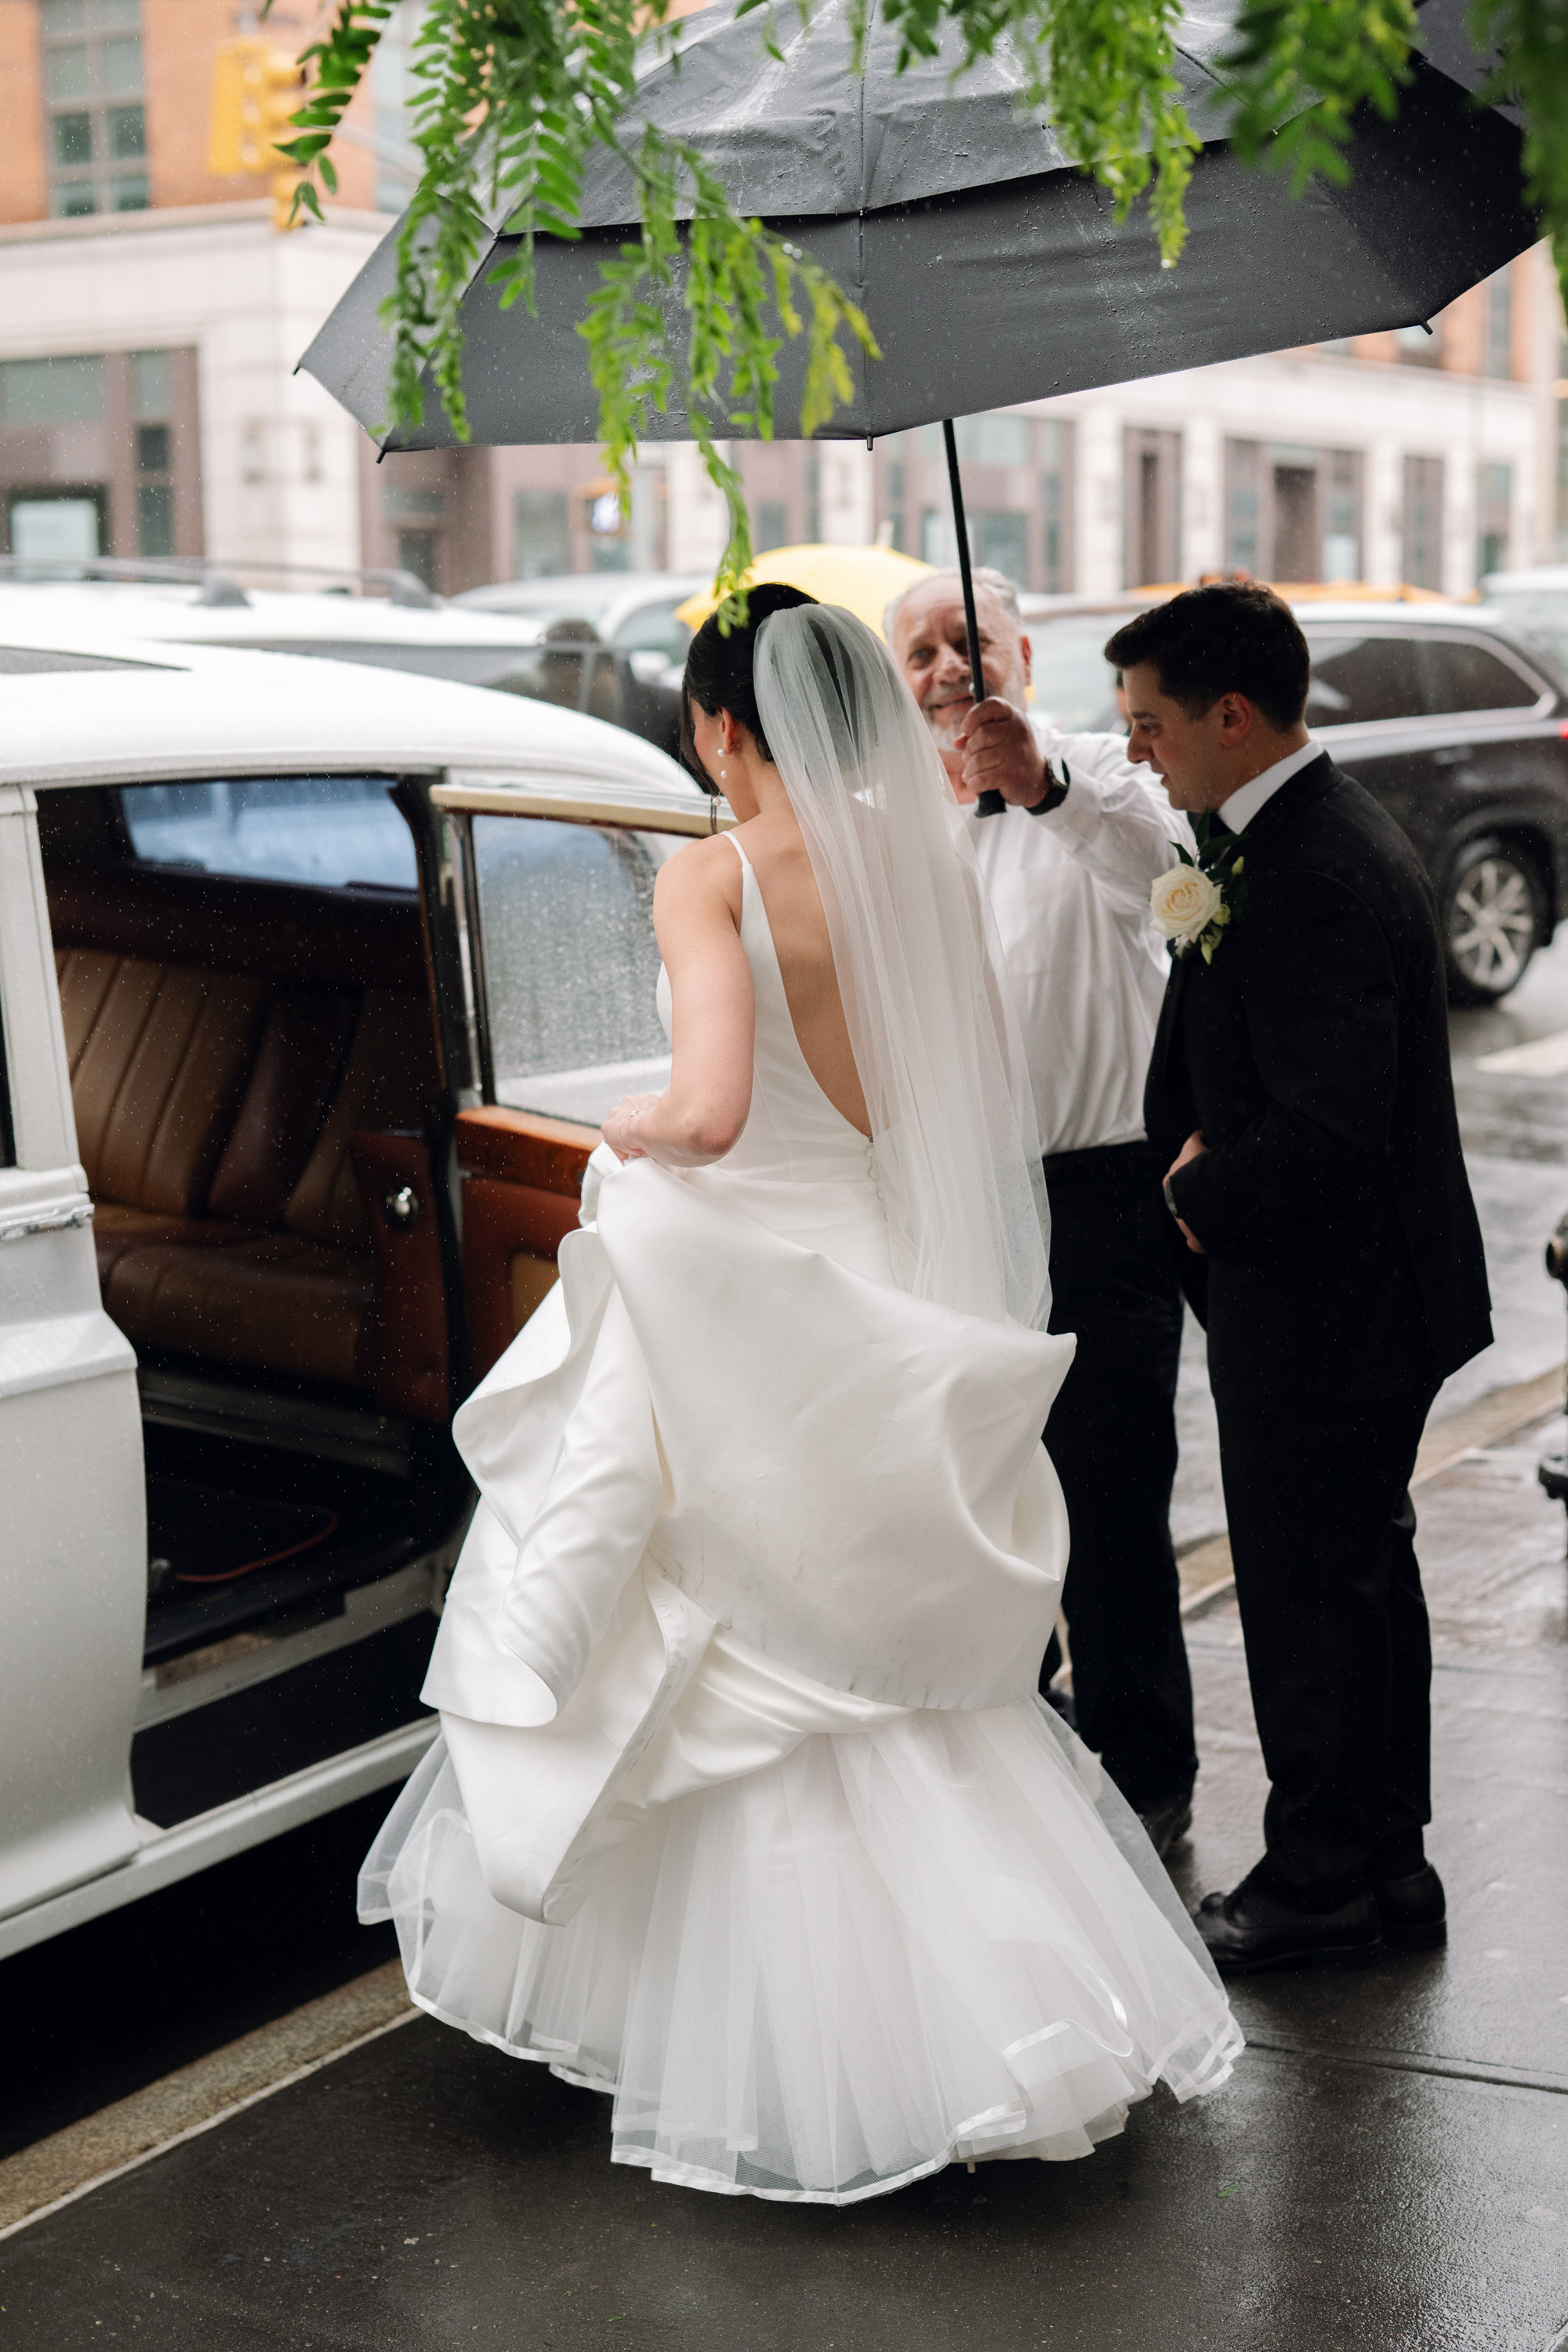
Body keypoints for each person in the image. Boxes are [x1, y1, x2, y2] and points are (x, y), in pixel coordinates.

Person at [360, 586, 1240, 2202]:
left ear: (716, 726)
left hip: (741, 1297)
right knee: (888, 1666)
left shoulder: (710, 872)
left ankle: (730, 2037)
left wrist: (630, 1128)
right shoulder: (919, 866)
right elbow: (938, 1107)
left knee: (720, 1634)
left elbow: (708, 1106)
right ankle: (997, 2024)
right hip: (881, 1278)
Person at [1114, 582, 1492, 1974]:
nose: (1141, 752)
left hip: (1331, 1299)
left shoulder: (1312, 869)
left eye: (1151, 725)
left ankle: (1320, 1877)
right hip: (1355, 1295)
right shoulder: (1294, 838)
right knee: (1357, 1579)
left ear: (1230, 713)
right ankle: (1389, 1864)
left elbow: (1334, 1127)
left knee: (1308, 1592)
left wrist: (1192, 1188)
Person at [886, 569, 1199, 1857]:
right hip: (959, 1202)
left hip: (1103, 1197)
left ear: (1021, 650)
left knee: (1112, 1496)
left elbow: (1172, 873)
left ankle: (1146, 1768)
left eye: (971, 639)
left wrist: (1046, 789)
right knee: (984, 1492)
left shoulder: (1105, 782)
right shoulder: (894, 824)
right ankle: (1027, 1729)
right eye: (922, 652)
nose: (950, 666)